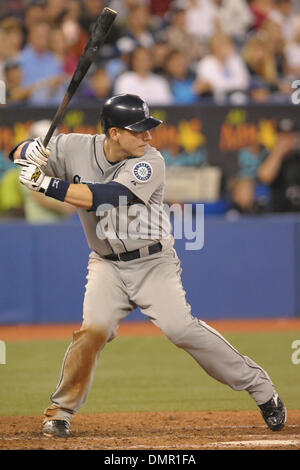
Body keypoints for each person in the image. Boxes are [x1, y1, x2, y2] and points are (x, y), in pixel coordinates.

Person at [10, 94, 286, 437]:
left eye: (148, 129)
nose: (148, 136)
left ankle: (262, 389)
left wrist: (47, 183)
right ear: (114, 133)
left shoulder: (150, 161)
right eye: (139, 130)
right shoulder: (72, 147)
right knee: (93, 331)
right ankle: (61, 411)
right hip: (106, 265)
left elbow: (105, 197)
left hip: (153, 262)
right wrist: (28, 151)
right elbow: (15, 150)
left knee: (181, 329)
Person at [257, 117, 300, 212]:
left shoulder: (297, 157)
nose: (286, 140)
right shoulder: (269, 156)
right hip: (278, 213)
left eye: (289, 136)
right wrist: (279, 151)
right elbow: (265, 177)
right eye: (282, 136)